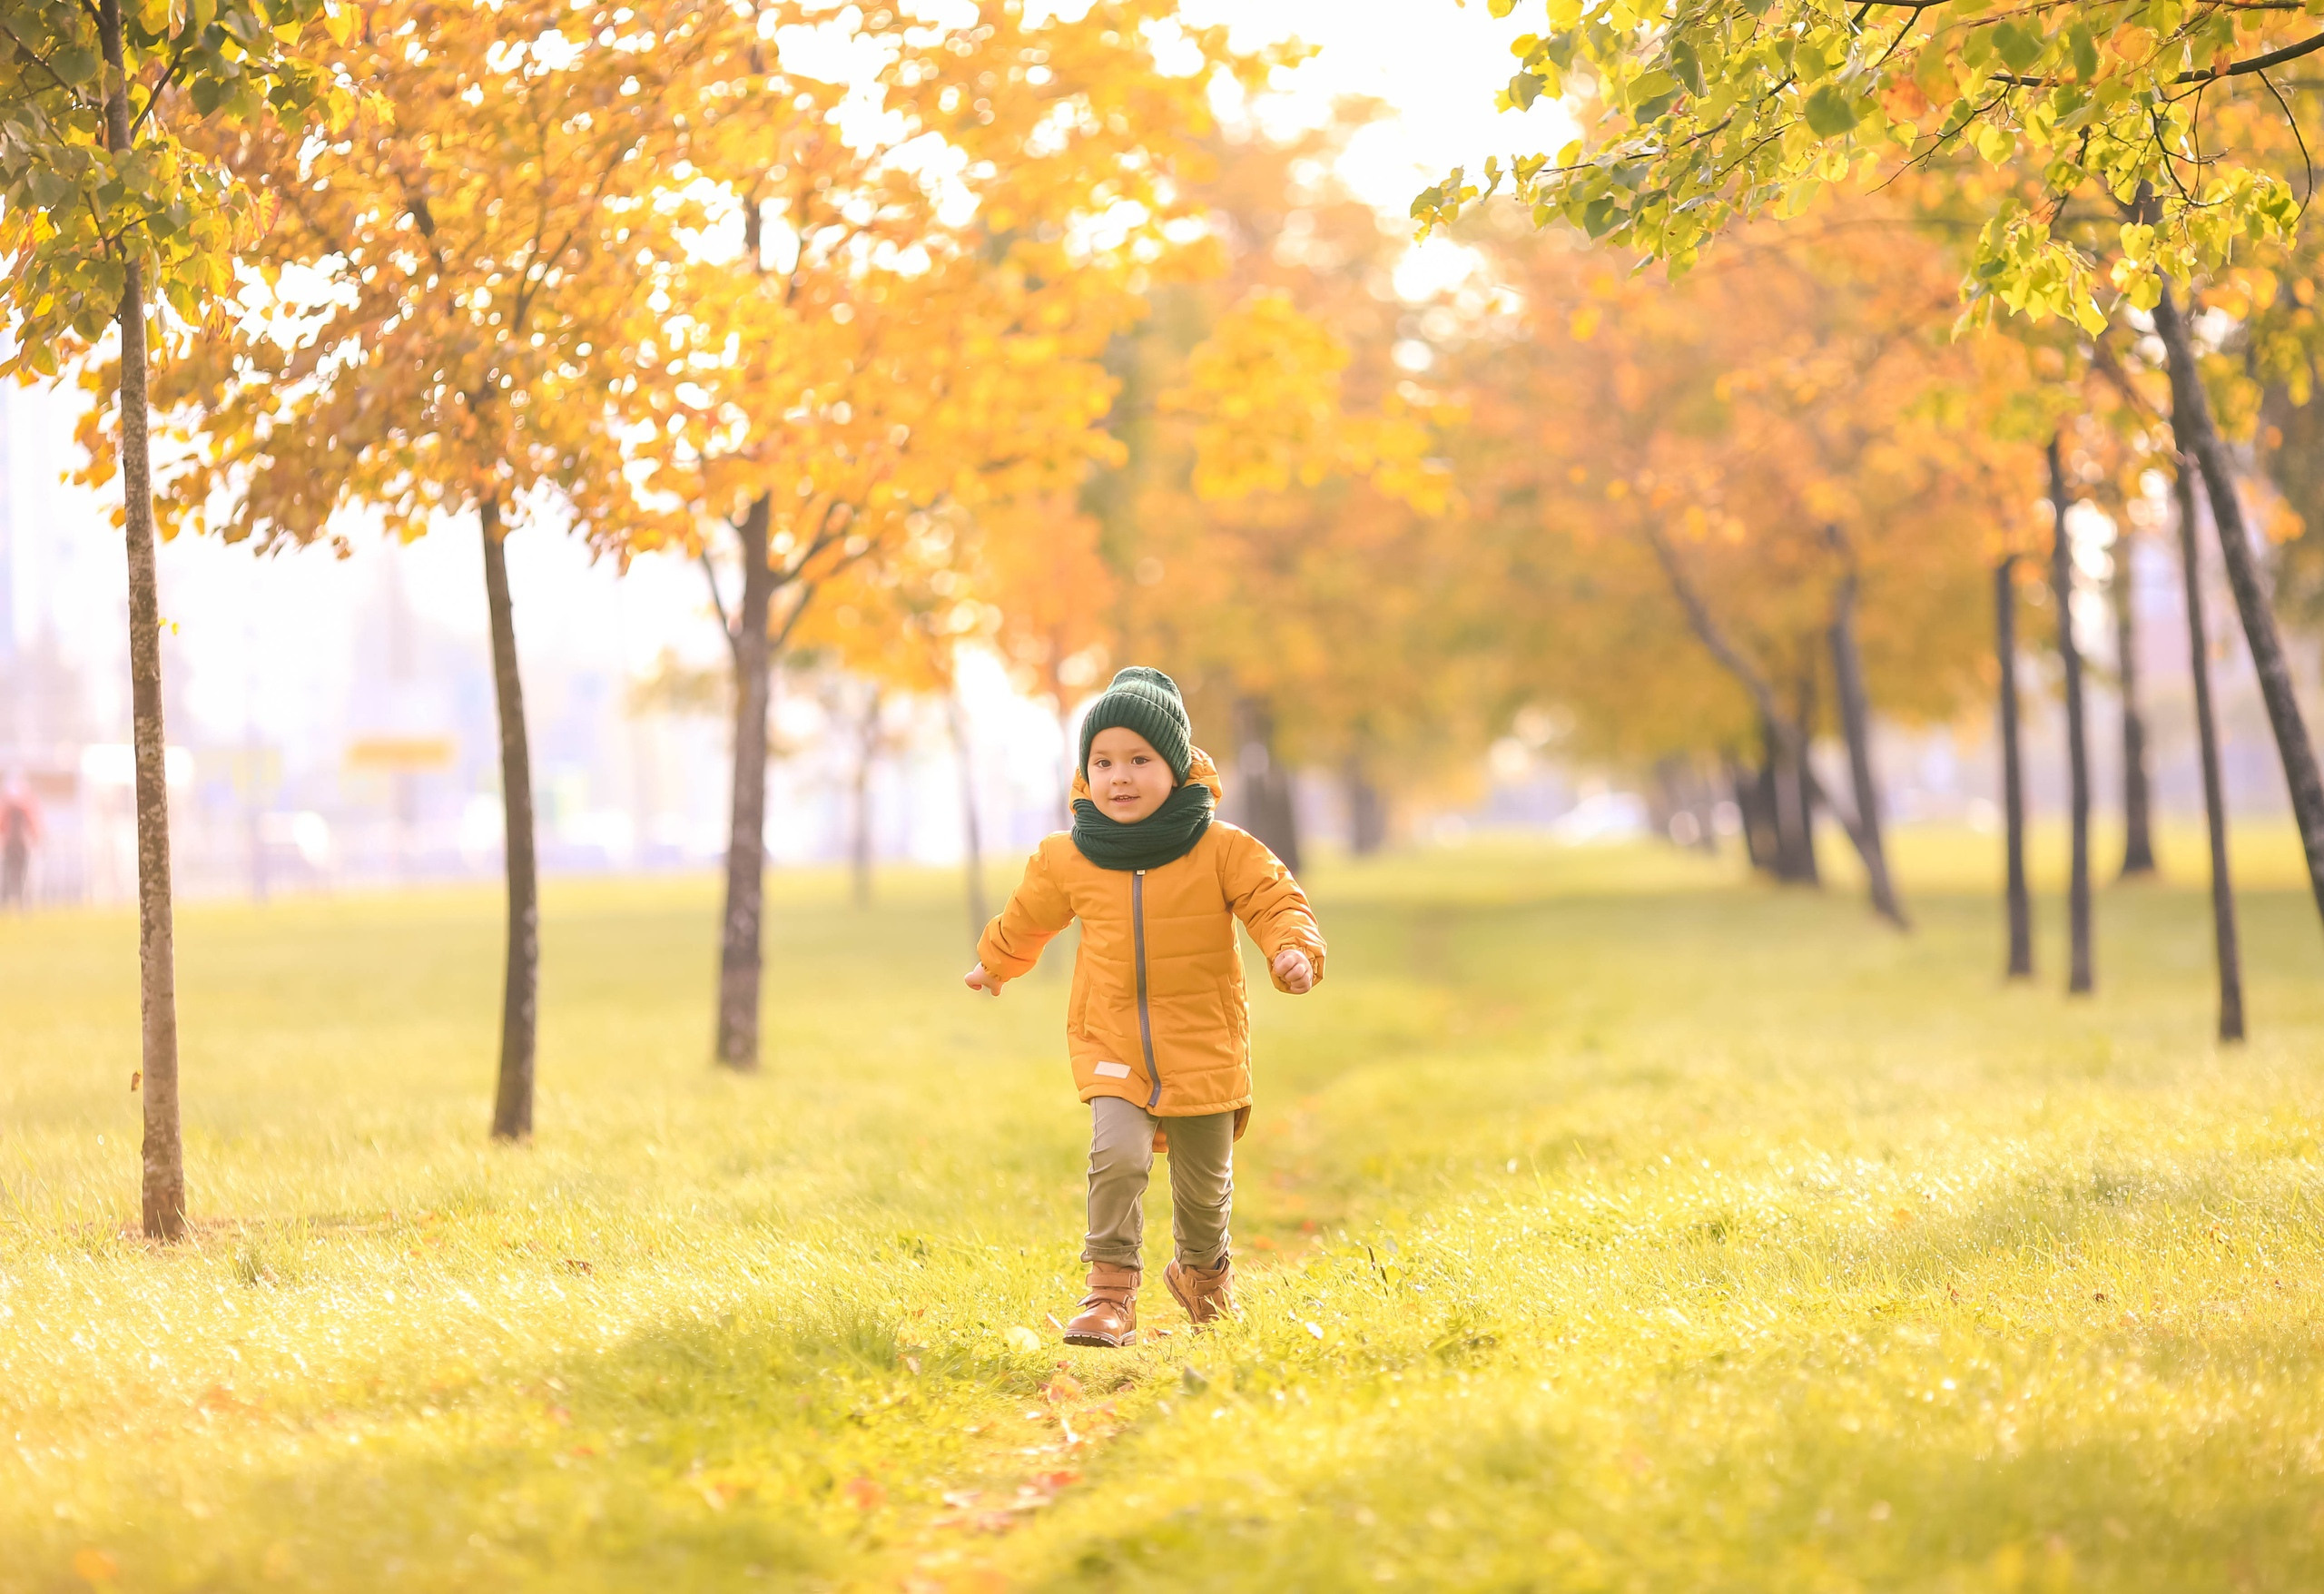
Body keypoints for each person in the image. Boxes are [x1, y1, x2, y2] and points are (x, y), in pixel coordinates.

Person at [963, 666, 1324, 1346]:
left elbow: (1276, 900)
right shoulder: (1070, 857)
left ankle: (1202, 1275)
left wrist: (1293, 952)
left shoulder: (1221, 850)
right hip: (1111, 1040)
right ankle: (1109, 1295)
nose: (1119, 777)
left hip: (1205, 1046)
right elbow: (1028, 916)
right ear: (1085, 772)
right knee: (1118, 1157)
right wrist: (995, 963)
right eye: (1103, 762)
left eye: (1139, 760)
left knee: (1202, 1193)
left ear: (1178, 766)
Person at [0, 780, 38, 910]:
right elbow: (33, 827)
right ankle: (19, 903)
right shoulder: (22, 809)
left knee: (12, 875)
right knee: (19, 875)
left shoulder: (11, 810)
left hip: (13, 846)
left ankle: (10, 902)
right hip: (19, 846)